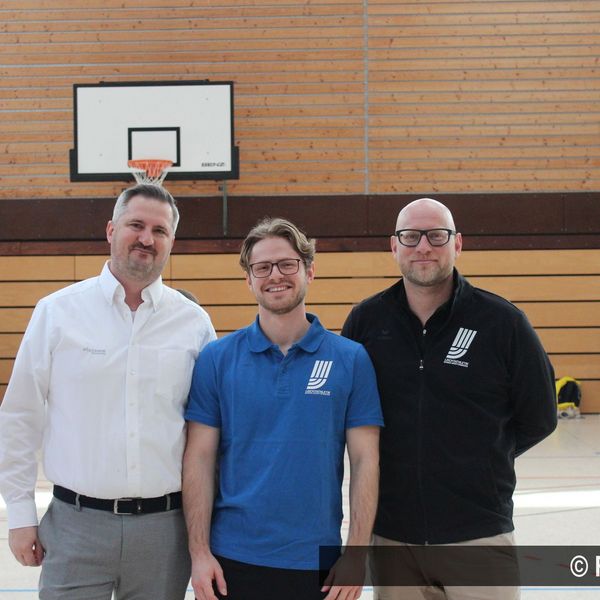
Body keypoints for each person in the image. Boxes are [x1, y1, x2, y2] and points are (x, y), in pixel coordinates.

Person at [0, 183, 216, 600]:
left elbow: (208, 434)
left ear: (171, 242)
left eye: (160, 230)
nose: (147, 238)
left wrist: (204, 535)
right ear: (111, 230)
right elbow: (20, 416)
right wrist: (21, 514)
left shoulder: (194, 324)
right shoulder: (57, 312)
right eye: (136, 225)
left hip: (164, 530)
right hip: (75, 524)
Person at [341, 198, 557, 600]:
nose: (423, 246)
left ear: (457, 244)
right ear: (394, 246)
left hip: (478, 535)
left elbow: (540, 417)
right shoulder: (365, 322)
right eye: (411, 236)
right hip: (393, 538)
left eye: (436, 236)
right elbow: (348, 418)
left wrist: (479, 457)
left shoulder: (502, 322)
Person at [183, 217, 384, 600]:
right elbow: (199, 459)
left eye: (287, 264)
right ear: (249, 279)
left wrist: (356, 555)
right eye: (262, 267)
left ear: (309, 270)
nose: (275, 275)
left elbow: (365, 461)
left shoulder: (351, 359)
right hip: (231, 560)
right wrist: (199, 552)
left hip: (318, 563)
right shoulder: (217, 359)